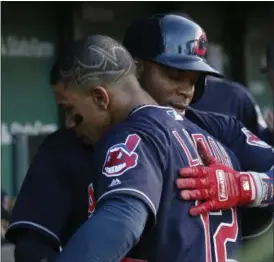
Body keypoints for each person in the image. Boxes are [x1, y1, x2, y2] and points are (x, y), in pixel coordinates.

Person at [6, 14, 274, 262]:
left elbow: (122, 220)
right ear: (135, 68)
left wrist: (246, 186)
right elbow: (34, 245)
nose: (186, 91)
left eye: (194, 80)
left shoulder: (214, 129)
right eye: (174, 75)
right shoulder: (70, 143)